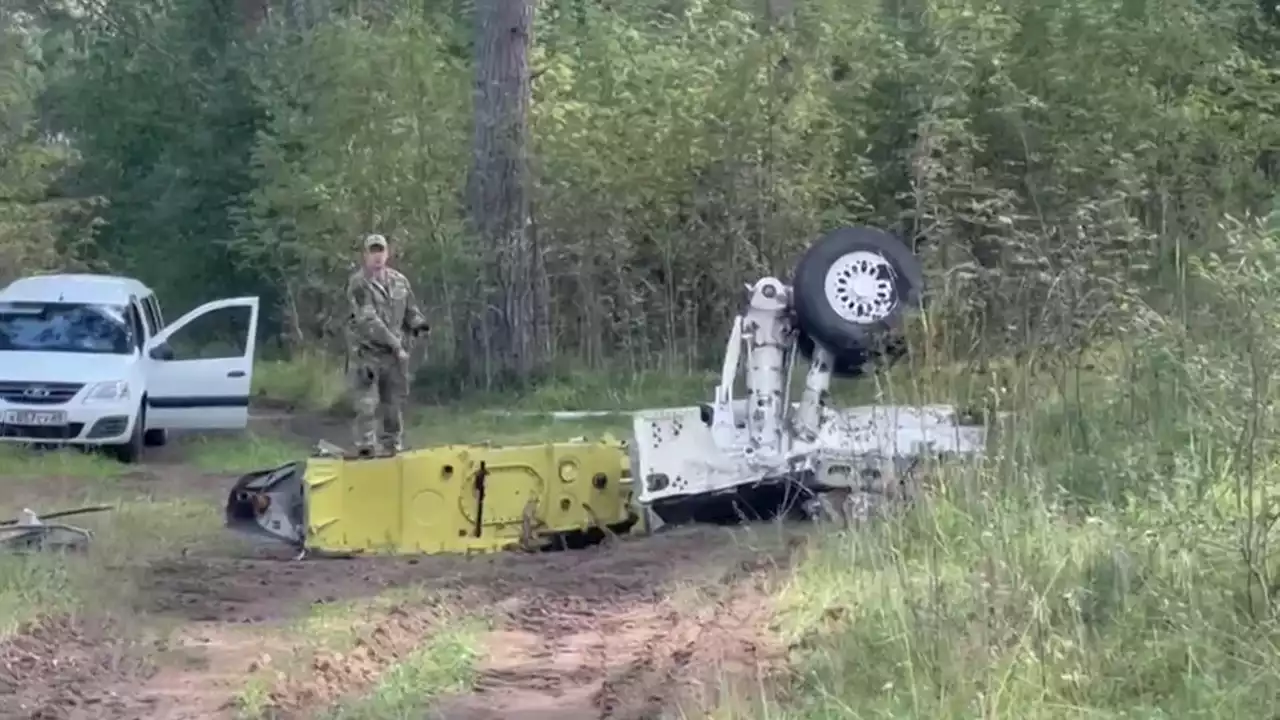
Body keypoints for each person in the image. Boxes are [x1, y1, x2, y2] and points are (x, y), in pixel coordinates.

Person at [346, 233, 429, 456]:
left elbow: (411, 310)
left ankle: (392, 447)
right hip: (368, 355)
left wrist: (419, 325)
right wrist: (397, 345)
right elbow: (369, 321)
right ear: (365, 255)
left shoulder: (400, 281)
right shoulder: (359, 284)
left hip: (393, 359)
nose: (377, 256)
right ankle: (366, 449)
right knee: (367, 405)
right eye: (372, 252)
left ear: (387, 253)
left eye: (380, 251)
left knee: (393, 406)